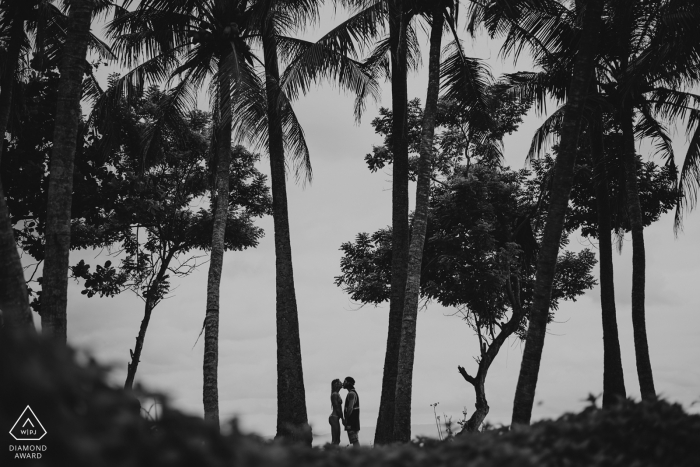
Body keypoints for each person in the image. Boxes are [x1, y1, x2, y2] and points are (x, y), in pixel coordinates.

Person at [342, 376, 360, 446]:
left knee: (354, 441)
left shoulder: (351, 394)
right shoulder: (352, 393)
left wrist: (346, 419)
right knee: (354, 440)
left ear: (349, 383)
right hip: (353, 421)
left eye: (345, 381)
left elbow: (350, 408)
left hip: (352, 421)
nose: (343, 383)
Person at [329, 379, 343, 445]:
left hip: (336, 418)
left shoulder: (337, 394)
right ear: (336, 384)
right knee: (335, 440)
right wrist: (343, 419)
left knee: (337, 440)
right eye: (340, 382)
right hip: (334, 417)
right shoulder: (335, 394)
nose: (341, 383)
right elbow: (337, 408)